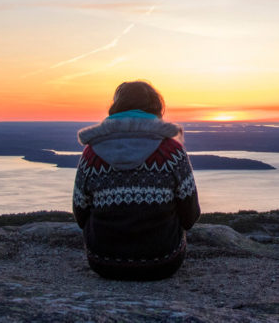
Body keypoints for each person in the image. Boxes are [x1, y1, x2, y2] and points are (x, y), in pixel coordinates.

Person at [72, 80, 200, 280]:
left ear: (115, 109)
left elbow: (80, 214)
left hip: (103, 262)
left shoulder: (91, 153)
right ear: (156, 109)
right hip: (163, 262)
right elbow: (190, 216)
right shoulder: (172, 152)